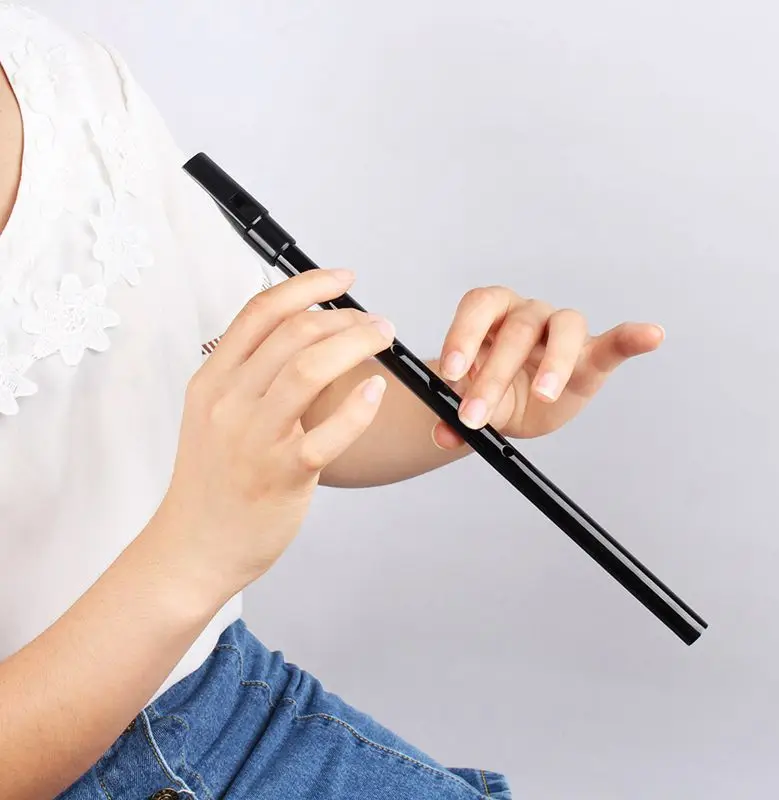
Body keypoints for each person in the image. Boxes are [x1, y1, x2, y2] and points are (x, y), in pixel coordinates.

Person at [0, 4, 665, 799]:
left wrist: (463, 397)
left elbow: (288, 406)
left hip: (233, 708)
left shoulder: (72, 76)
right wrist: (194, 558)